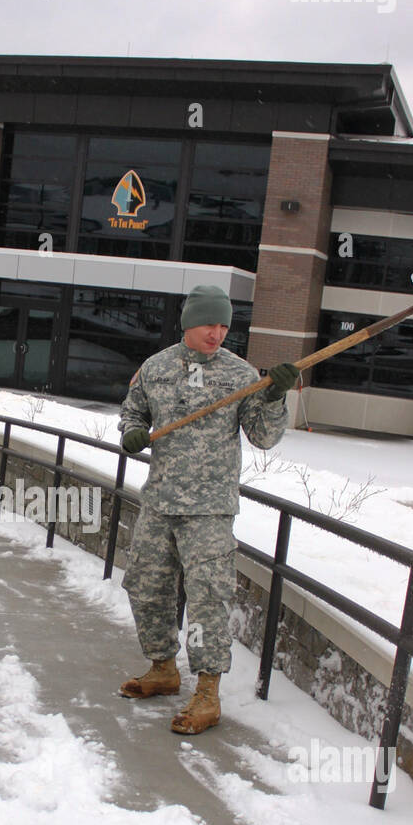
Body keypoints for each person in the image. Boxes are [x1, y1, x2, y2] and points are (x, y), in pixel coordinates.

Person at [118, 284, 299, 735]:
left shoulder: (240, 376)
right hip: (160, 500)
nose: (217, 333)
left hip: (210, 510)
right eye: (208, 324)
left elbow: (263, 436)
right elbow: (132, 411)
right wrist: (132, 432)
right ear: (187, 323)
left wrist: (274, 396)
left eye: (223, 325)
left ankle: (207, 691)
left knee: (206, 601)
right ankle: (162, 666)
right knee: (145, 585)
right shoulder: (155, 368)